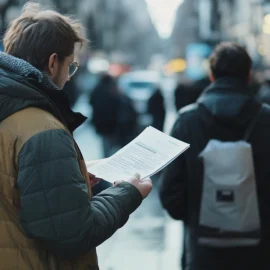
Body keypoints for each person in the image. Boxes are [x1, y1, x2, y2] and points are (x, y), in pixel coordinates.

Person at [0, 2, 152, 269]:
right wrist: (129, 193)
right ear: (53, 62)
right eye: (70, 66)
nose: (69, 77)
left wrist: (75, 175)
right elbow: (71, 234)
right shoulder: (42, 130)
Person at [159, 42, 270, 270]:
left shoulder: (187, 121)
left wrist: (196, 216)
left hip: (204, 250)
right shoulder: (266, 120)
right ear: (248, 76)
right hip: (260, 249)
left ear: (211, 75)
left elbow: (170, 192)